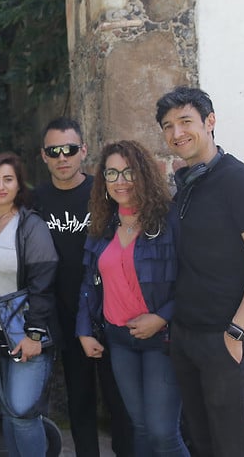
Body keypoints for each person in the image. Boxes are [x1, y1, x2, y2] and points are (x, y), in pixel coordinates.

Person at [155, 86, 244, 456]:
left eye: (185, 121)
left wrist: (236, 332)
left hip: (226, 338)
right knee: (203, 445)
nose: (177, 133)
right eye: (168, 126)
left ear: (209, 121)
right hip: (188, 337)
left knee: (232, 448)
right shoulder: (189, 185)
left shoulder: (237, 180)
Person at [76, 140, 189, 457]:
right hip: (119, 341)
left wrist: (162, 316)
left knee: (163, 433)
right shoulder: (103, 224)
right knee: (138, 428)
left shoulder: (169, 220)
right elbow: (89, 282)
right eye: (111, 173)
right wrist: (84, 330)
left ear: (144, 174)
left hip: (161, 341)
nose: (120, 181)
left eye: (128, 172)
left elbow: (192, 279)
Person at [33, 118, 134, 457]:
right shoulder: (35, 200)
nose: (62, 157)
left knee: (120, 400)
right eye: (54, 151)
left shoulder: (103, 192)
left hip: (110, 313)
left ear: (83, 151)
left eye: (70, 149)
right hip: (64, 315)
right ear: (44, 155)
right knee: (80, 401)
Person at [0, 152, 58, 457]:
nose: (1, 186)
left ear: (19, 184)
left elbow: (44, 283)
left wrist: (34, 335)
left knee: (22, 411)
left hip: (24, 334)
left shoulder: (30, 225)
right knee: (7, 408)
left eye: (8, 179)